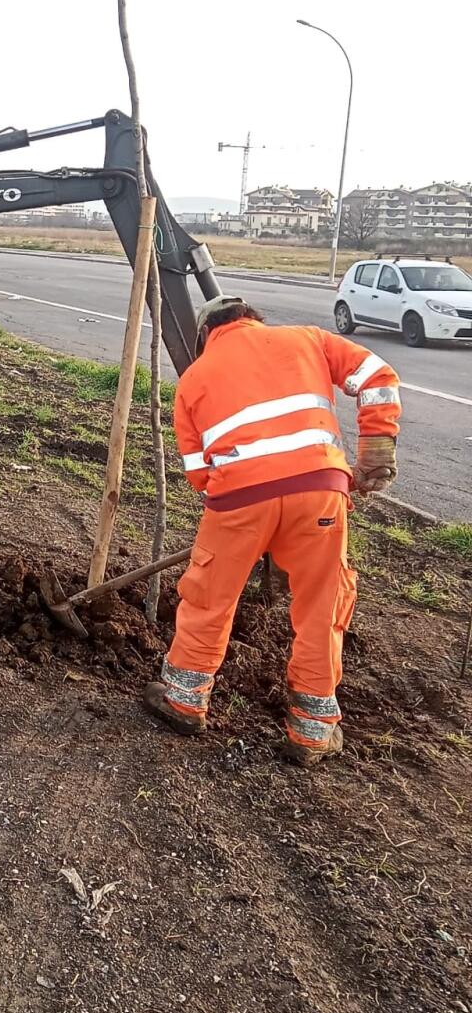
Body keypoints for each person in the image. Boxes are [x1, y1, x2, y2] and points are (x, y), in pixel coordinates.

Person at [145, 295, 401, 766]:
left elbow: (199, 470)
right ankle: (312, 731)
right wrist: (377, 444)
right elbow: (377, 377)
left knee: (210, 596)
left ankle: (184, 701)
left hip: (239, 501)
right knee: (322, 603)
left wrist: (241, 518)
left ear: (205, 335)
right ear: (253, 320)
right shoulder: (306, 338)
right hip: (320, 492)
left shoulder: (195, 378)